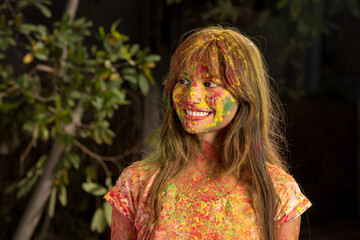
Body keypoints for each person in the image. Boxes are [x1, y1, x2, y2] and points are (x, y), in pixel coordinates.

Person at [104, 26, 311, 240]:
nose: (191, 96)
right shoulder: (136, 183)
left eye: (210, 83)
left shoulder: (278, 192)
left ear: (245, 95)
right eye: (183, 80)